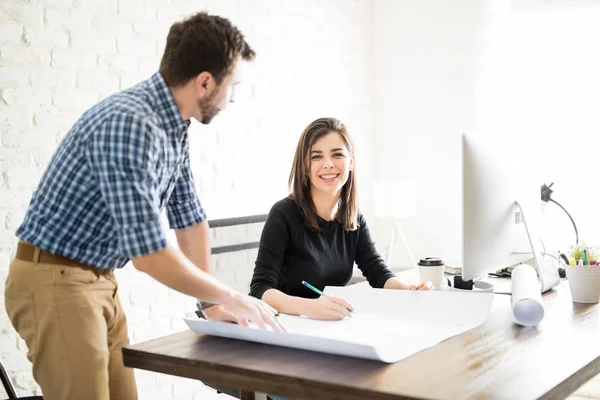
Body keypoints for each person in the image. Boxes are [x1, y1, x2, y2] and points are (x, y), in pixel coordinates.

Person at [4, 12, 283, 400]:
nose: (231, 98)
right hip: (55, 281)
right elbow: (149, 256)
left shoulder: (173, 125)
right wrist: (230, 296)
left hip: (97, 280)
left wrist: (211, 303)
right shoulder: (131, 124)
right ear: (204, 82)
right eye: (230, 87)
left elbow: (189, 218)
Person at [250, 118, 432, 321]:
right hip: (289, 325)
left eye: (337, 154)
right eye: (316, 157)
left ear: (351, 161)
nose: (328, 164)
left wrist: (410, 290)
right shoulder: (284, 214)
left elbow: (377, 272)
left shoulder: (352, 217)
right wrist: (311, 308)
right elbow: (260, 289)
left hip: (331, 324)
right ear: (305, 165)